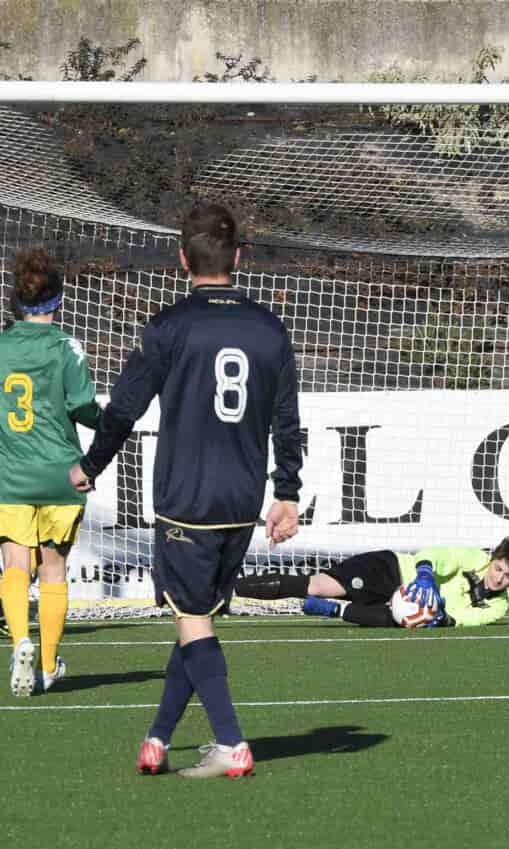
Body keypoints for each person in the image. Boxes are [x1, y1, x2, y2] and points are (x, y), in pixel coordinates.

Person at [70, 202, 303, 777]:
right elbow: (287, 419)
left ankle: (231, 742)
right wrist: (288, 493)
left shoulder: (170, 326)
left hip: (187, 499)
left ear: (181, 259)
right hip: (242, 501)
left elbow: (124, 407)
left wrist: (91, 463)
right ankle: (158, 738)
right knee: (192, 617)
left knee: (192, 619)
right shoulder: (270, 328)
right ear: (239, 258)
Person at [0, 246, 101, 696]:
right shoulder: (66, 347)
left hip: (10, 473)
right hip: (61, 474)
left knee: (14, 564)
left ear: (16, 303)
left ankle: (20, 637)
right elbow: (82, 406)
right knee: (54, 569)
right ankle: (46, 665)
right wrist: (112, 425)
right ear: (58, 300)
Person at [233, 537, 509, 628]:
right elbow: (431, 553)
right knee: (316, 585)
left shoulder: (498, 607)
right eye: (499, 568)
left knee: (405, 621)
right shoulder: (475, 557)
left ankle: (332, 611)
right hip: (389, 569)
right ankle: (229, 589)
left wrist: (440, 615)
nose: (499, 577)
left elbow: (463, 621)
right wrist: (425, 577)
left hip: (397, 604)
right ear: (494, 559)